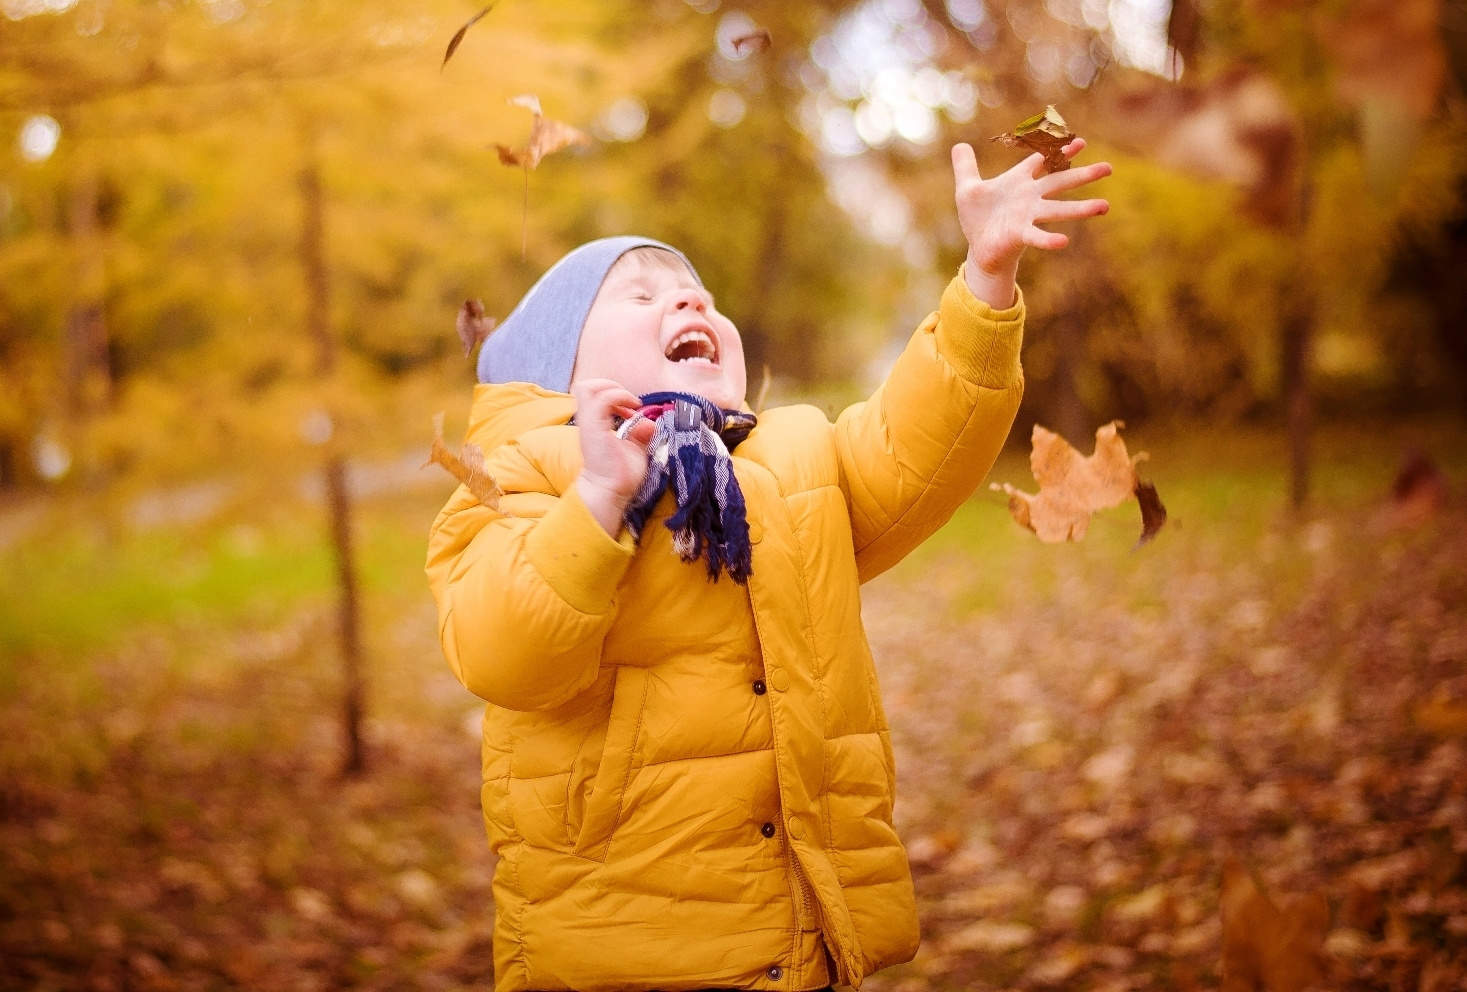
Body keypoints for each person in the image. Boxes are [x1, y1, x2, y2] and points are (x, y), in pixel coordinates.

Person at [426, 138, 1112, 991]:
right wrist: (599, 501)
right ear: (560, 377)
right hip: (620, 950)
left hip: (797, 933)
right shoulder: (521, 476)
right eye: (642, 294)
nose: (690, 297)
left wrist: (983, 282)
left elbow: (913, 449)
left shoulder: (788, 461)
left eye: (699, 293)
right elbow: (503, 652)